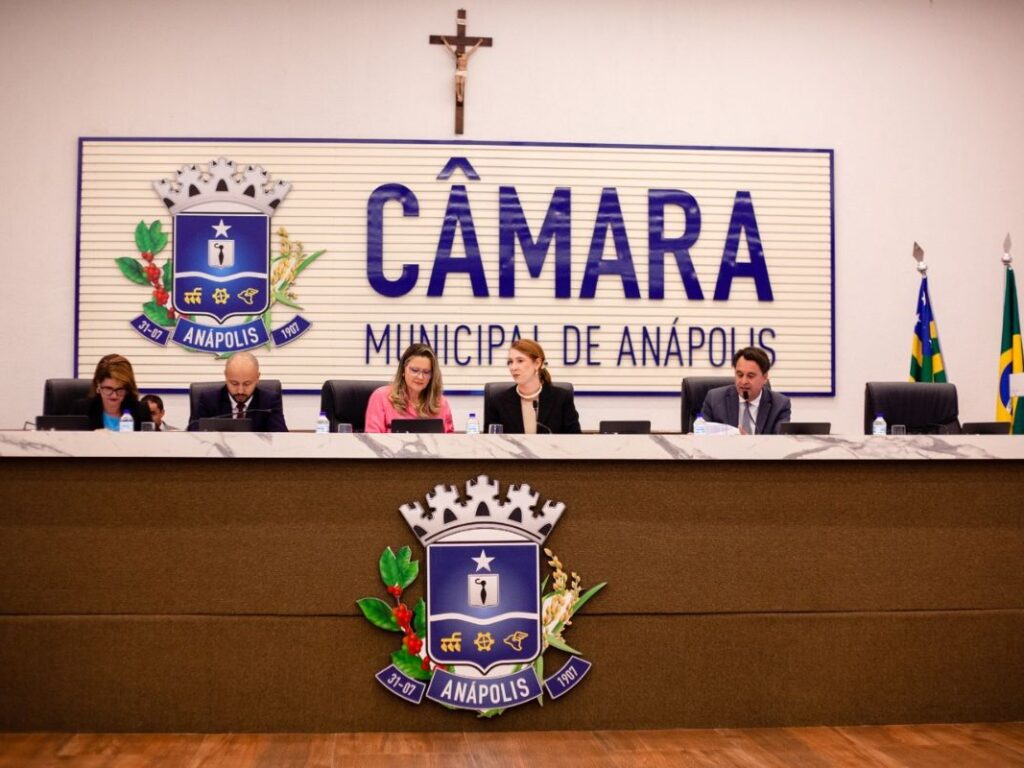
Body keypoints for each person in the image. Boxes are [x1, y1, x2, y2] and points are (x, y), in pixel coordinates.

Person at [484, 339, 581, 434]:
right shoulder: (497, 402)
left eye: (520, 361)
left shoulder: (561, 399)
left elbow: (575, 439)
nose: (513, 367)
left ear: (537, 363)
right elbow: (490, 441)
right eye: (510, 362)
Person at [364, 343, 455, 433]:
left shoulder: (441, 403)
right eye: (414, 370)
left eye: (426, 372)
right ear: (403, 370)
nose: (420, 377)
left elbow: (449, 440)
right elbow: (372, 440)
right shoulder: (381, 397)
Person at [188, 351, 288, 432]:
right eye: (234, 383)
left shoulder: (269, 402)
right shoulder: (208, 400)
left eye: (247, 384)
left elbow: (280, 437)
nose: (240, 391)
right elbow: (193, 435)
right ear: (226, 376)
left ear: (257, 378)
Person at [701, 347, 792, 434]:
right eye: (740, 375)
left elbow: (780, 442)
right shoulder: (714, 399)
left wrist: (751, 442)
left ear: (765, 378)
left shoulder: (780, 405)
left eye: (750, 376)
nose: (743, 381)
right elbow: (700, 433)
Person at [71, 353, 152, 431]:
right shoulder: (81, 410)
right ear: (98, 385)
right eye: (108, 389)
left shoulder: (141, 411)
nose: (114, 395)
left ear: (128, 388)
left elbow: (149, 440)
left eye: (120, 389)